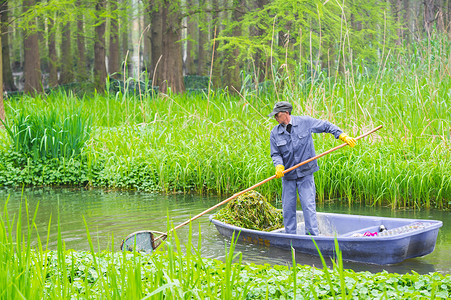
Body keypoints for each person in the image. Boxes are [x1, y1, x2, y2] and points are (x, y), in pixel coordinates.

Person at [268, 101, 357, 235]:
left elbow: (326, 126)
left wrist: (341, 135)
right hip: (288, 176)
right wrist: (278, 165)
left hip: (306, 173)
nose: (275, 118)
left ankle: (312, 238)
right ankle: (290, 237)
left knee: (308, 207)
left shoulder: (305, 122)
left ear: (286, 113)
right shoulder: (275, 133)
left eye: (277, 115)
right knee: (287, 209)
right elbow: (275, 153)